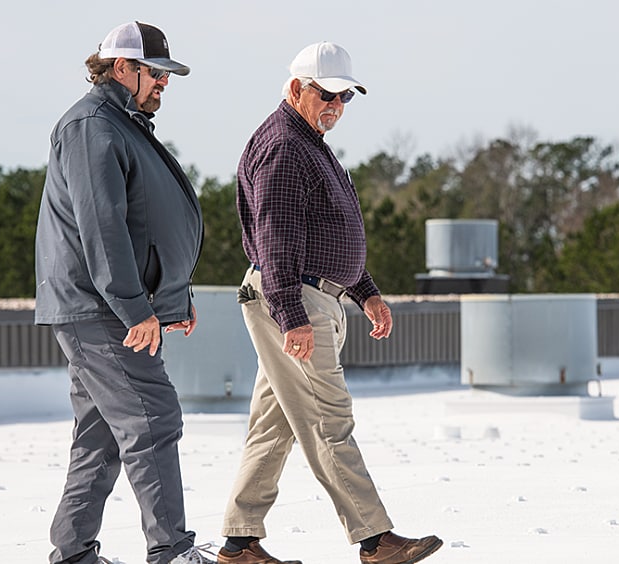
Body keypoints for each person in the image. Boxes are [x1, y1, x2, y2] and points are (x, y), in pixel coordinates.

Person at [218, 41, 443, 564]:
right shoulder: (283, 145)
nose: (336, 107)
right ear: (296, 89)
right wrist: (291, 315)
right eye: (327, 95)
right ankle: (374, 538)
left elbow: (324, 232)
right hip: (293, 298)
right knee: (327, 417)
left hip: (310, 295)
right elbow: (276, 237)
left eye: (345, 98)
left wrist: (365, 291)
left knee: (275, 425)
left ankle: (239, 541)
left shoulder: (308, 142)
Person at [34, 21, 213, 564]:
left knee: (103, 434)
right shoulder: (93, 126)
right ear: (122, 68)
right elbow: (103, 228)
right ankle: (172, 551)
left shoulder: (120, 123)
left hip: (105, 306)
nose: (163, 84)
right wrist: (136, 308)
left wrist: (168, 299)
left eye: (165, 75)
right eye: (155, 73)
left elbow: (141, 222)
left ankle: (72, 554)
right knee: (153, 418)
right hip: (100, 308)